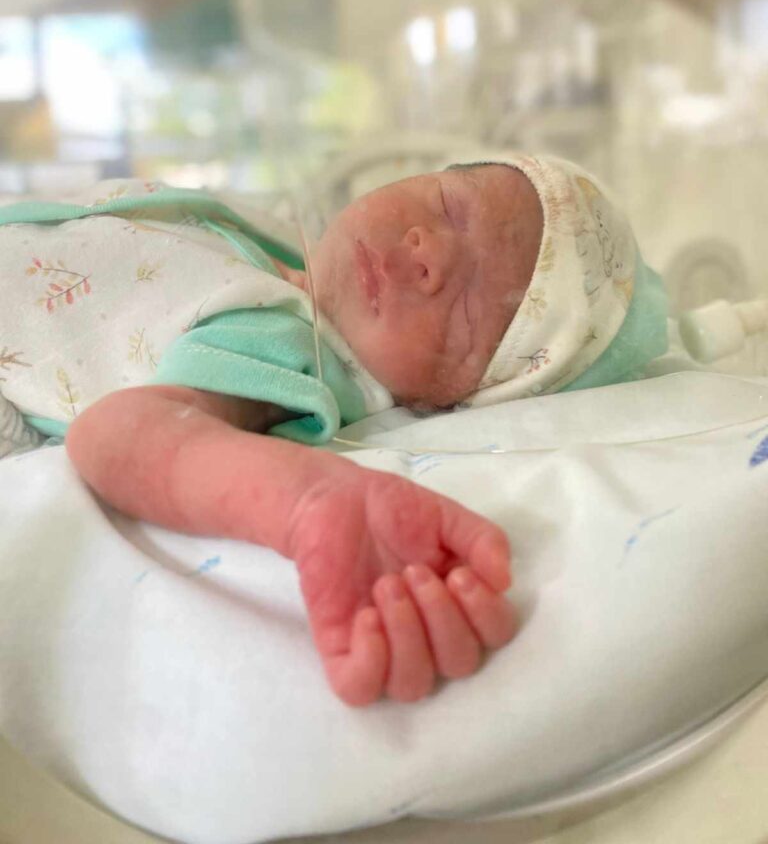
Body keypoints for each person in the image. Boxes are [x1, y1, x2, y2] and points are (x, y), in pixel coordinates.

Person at [0, 153, 668, 706]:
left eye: (468, 310)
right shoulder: (284, 249)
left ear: (451, 402)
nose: (430, 253)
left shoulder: (283, 347)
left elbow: (125, 436)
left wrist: (308, 500)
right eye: (449, 206)